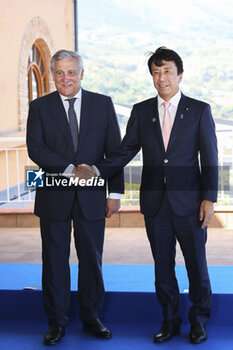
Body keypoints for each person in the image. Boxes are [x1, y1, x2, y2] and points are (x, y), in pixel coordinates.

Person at [78, 47, 218, 344]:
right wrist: (96, 170)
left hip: (191, 203)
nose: (161, 77)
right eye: (155, 72)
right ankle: (170, 321)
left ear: (180, 74)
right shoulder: (141, 111)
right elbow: (126, 150)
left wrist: (209, 199)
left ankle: (199, 321)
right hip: (155, 204)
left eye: (167, 71)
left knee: (197, 266)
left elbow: (210, 157)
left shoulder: (199, 110)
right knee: (162, 268)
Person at [26, 49, 124, 345]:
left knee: (91, 259)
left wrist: (115, 192)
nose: (65, 78)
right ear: (53, 75)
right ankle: (56, 322)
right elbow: (36, 148)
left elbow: (114, 152)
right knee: (54, 260)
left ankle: (91, 316)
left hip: (93, 196)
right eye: (59, 73)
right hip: (54, 194)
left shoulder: (103, 104)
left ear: (82, 73)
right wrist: (70, 169)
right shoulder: (39, 107)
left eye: (71, 72)